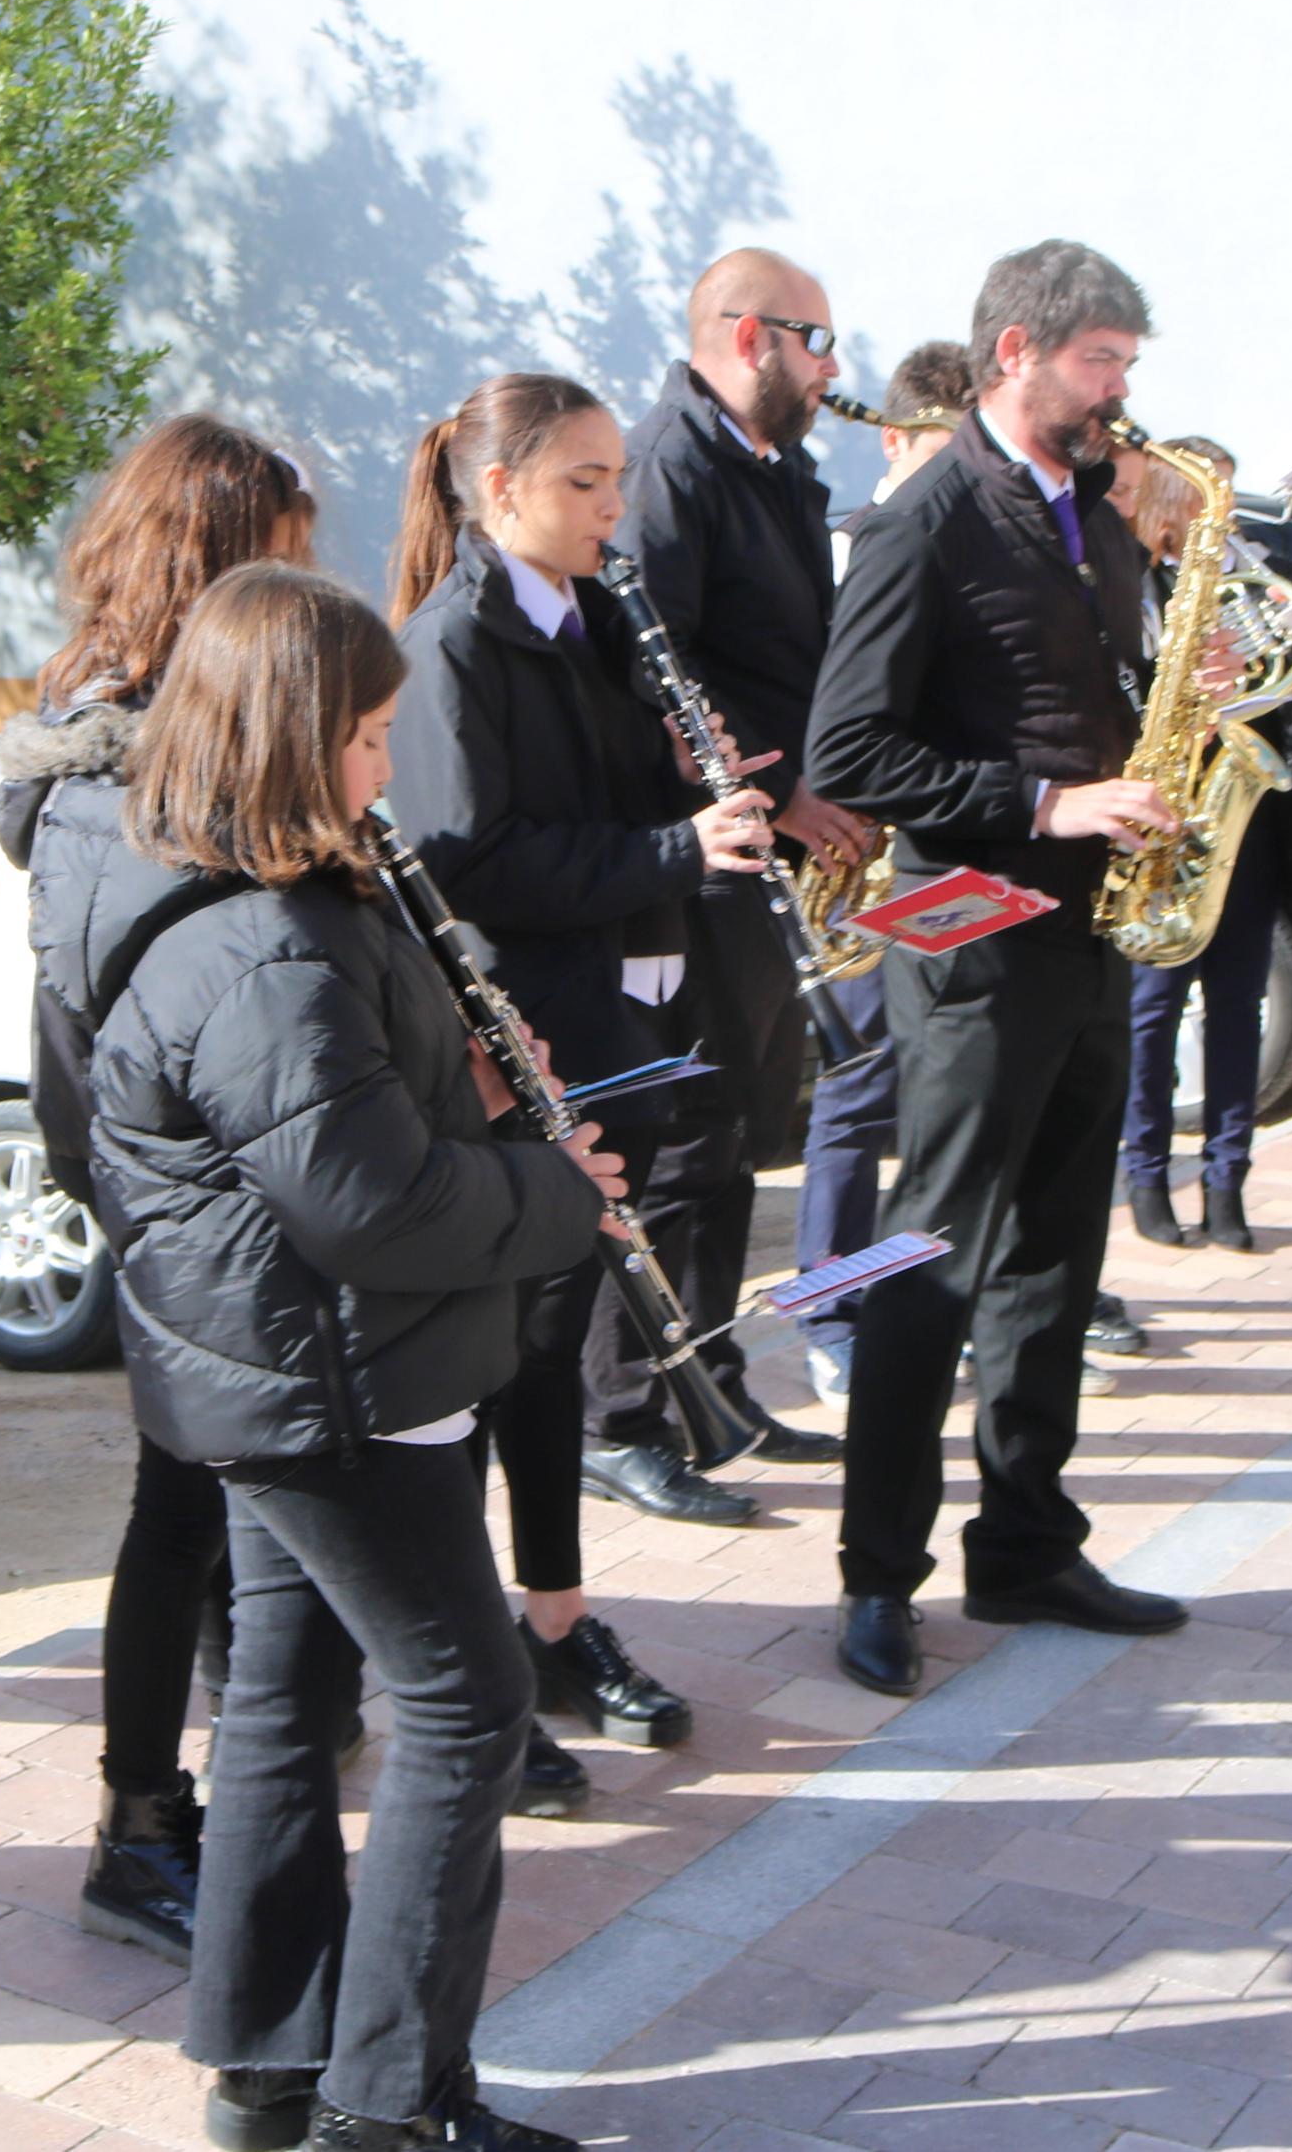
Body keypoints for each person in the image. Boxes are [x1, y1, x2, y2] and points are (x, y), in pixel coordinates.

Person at [83, 562, 618, 2152]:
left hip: (285, 1368)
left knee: (280, 1693)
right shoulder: (266, 951)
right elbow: (371, 1205)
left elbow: (351, 1130)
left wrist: (466, 1087)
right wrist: (557, 1192)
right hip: (327, 1378)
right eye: (368, 737)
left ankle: (264, 2071)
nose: (387, 770)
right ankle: (388, 2104)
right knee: (464, 1702)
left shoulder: (286, 915)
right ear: (282, 743)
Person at [806, 239, 1198, 1704]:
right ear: (1018, 349)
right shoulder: (920, 520)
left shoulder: (1089, 510)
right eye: (1100, 362)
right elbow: (849, 751)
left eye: (1124, 368)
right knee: (929, 1248)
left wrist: (1177, 686)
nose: (1116, 394)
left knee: (1054, 1248)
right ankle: (872, 1574)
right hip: (968, 917)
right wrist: (1049, 803)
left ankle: (1026, 1538)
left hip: (1084, 921)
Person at [387, 372, 768, 1805]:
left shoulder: (600, 620)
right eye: (584, 484)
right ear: (498, 493)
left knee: (558, 1353)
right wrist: (672, 851)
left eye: (615, 480)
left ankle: (551, 1622)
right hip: (528, 1043)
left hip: (636, 1012)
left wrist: (703, 790)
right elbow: (469, 858)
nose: (616, 509)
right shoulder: (450, 645)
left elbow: (617, 809)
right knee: (507, 1362)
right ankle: (480, 1660)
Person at [0, 413, 333, 1960]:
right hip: (184, 1193)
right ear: (214, 563)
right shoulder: (120, 771)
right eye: (286, 557)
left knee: (202, 1508)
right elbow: (161, 1013)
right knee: (176, 1501)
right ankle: (136, 1829)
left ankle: (249, 1743)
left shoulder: (148, 738)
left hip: (196, 1182)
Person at [584, 246, 861, 1477]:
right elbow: (656, 673)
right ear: (748, 337)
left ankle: (711, 1385)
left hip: (761, 846)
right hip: (690, 857)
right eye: (815, 339)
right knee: (671, 1139)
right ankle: (621, 1412)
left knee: (732, 1132)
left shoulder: (778, 472)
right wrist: (778, 790)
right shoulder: (670, 468)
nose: (832, 365)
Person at [786, 337, 975, 1402]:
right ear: (896, 442)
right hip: (861, 855)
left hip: (929, 853)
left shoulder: (954, 542)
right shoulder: (845, 548)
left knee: (923, 1091)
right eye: (943, 452)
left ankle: (894, 1294)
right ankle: (828, 1308)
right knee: (857, 1094)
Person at [1108, 437, 1292, 1261]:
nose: (1216, 513)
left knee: (1239, 1003)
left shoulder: (1250, 572)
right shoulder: (1126, 576)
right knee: (1151, 1010)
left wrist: (1269, 655)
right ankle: (1145, 1176)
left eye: (1225, 497)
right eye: (1204, 497)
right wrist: (1182, 675)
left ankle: (1228, 1179)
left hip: (1245, 821)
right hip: (1161, 817)